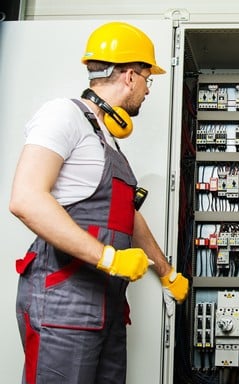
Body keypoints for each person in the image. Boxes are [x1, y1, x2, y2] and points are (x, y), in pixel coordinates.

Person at [9, 21, 189, 384]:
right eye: (147, 79)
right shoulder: (64, 115)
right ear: (129, 75)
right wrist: (108, 257)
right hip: (63, 302)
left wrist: (165, 271)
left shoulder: (107, 138)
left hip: (106, 304)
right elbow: (26, 199)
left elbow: (128, 217)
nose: (147, 90)